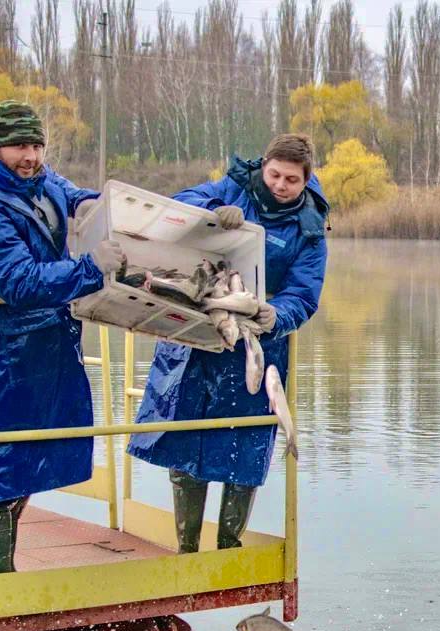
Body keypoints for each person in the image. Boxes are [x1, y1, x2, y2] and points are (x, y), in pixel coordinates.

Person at [0, 100, 124, 575]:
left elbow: (66, 191)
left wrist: (96, 205)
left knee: (21, 466)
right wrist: (90, 268)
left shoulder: (34, 180)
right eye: (20, 146)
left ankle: (1, 582)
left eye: (37, 145)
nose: (32, 155)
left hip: (35, 350)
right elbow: (19, 282)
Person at [127, 133, 329, 552]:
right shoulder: (231, 186)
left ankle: (227, 544)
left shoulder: (310, 229)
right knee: (186, 437)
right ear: (264, 165)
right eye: (274, 174)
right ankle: (186, 546)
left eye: (291, 179)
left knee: (244, 447)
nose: (279, 185)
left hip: (257, 342)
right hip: (197, 334)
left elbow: (305, 294)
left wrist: (280, 314)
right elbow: (176, 206)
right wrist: (214, 212)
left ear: (306, 180)